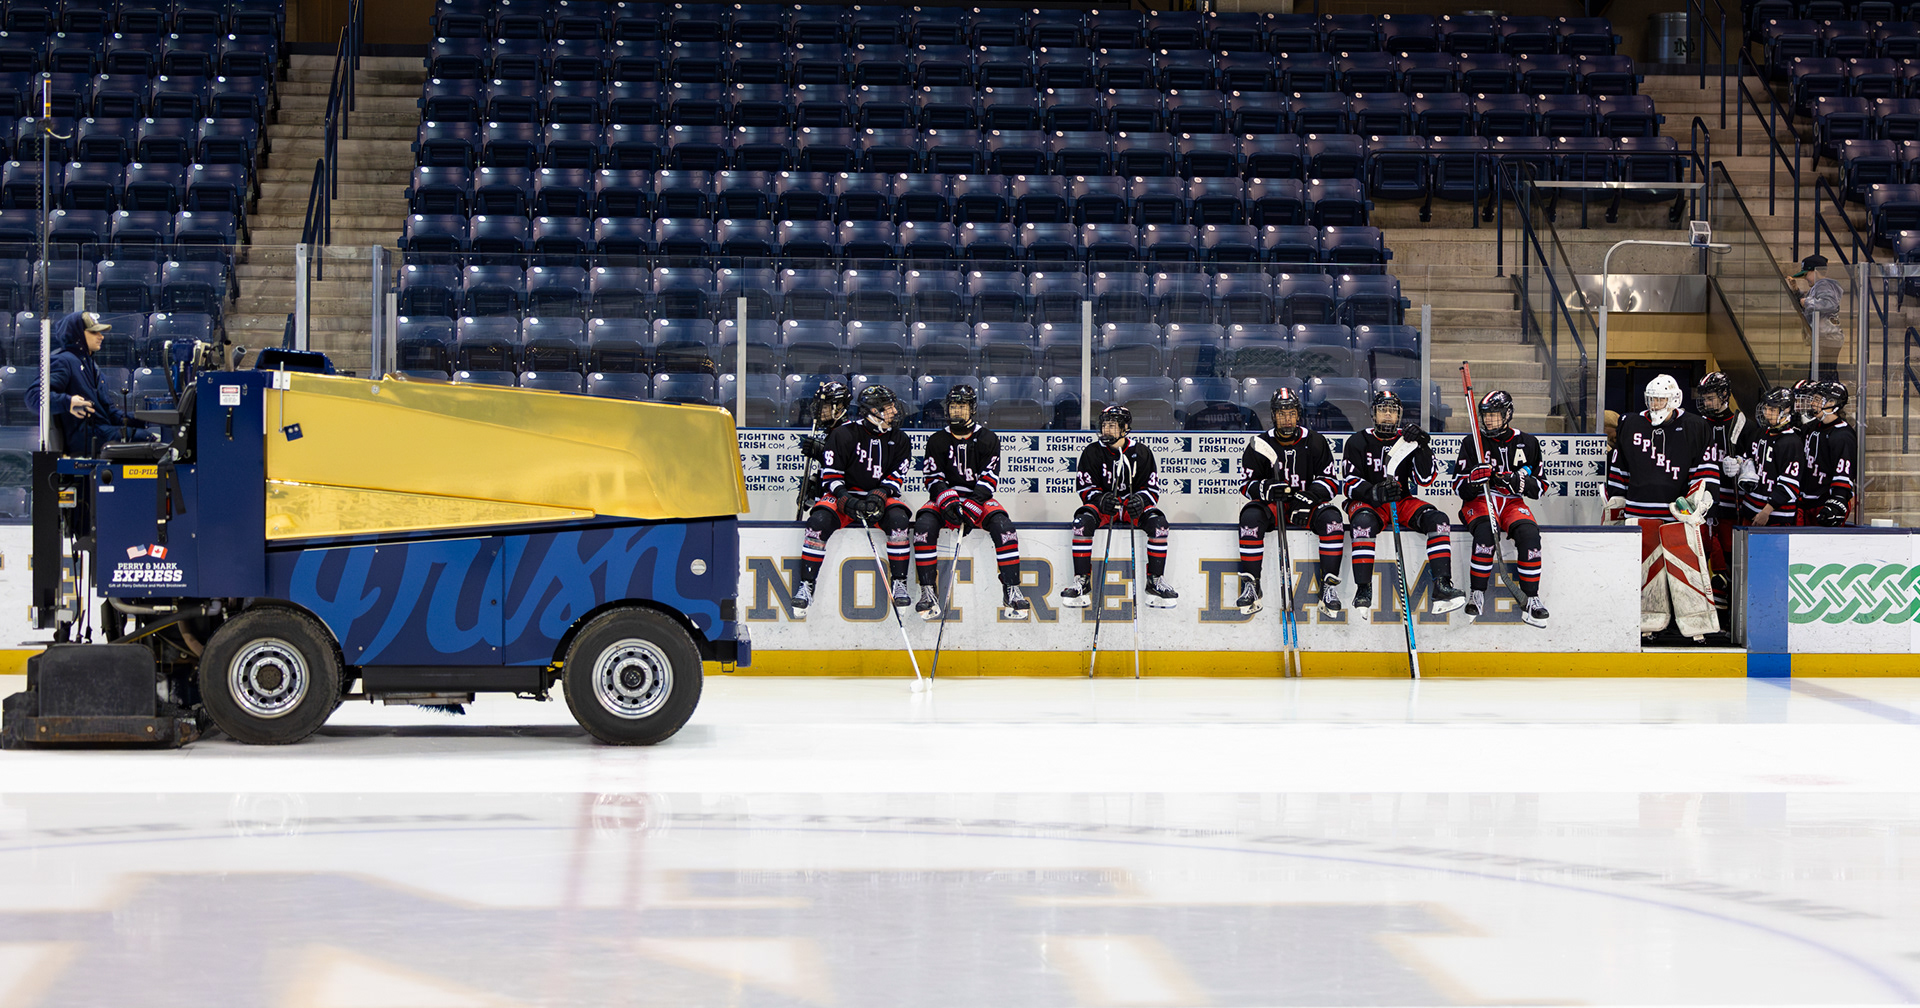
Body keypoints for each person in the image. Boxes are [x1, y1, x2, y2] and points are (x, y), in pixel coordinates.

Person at [1604, 374, 1721, 641]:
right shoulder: (1631, 423)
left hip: (1677, 515)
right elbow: (1620, 468)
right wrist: (1617, 501)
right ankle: (1648, 622)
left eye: (1661, 399)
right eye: (1652, 399)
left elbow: (1704, 471)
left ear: (1674, 399)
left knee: (1687, 572)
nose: (1655, 404)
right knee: (1646, 573)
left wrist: (1699, 501)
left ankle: (1696, 625)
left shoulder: (1695, 426)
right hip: (1639, 512)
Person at [911, 384, 1033, 621]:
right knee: (923, 526)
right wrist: (948, 503)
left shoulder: (988, 438)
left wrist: (972, 505)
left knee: (1004, 528)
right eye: (953, 406)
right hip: (945, 499)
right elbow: (933, 478)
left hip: (978, 498)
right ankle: (928, 590)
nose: (957, 411)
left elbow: (989, 477)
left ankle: (1011, 588)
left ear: (972, 409)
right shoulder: (937, 440)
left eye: (962, 406)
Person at [1341, 390, 1467, 618]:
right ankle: (1363, 588)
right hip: (1368, 503)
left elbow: (1426, 479)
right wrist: (1374, 492)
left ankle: (1442, 585)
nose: (1388, 415)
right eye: (1383, 410)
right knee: (1363, 523)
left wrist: (1423, 446)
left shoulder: (1407, 441)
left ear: (1399, 415)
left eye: (1393, 411)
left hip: (1401, 501)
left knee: (1438, 520)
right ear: (1373, 414)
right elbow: (1349, 484)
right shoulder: (1357, 441)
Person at [791, 385, 913, 618]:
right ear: (872, 411)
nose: (895, 412)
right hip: (845, 494)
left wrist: (880, 494)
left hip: (880, 495)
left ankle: (899, 582)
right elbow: (831, 476)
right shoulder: (843, 434)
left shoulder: (900, 439)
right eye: (888, 408)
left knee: (899, 521)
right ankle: (807, 584)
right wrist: (846, 499)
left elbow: (897, 476)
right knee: (817, 522)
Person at [1234, 387, 1345, 617]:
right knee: (1250, 516)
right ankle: (1252, 585)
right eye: (1282, 414)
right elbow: (1245, 484)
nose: (1287, 419)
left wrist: (1310, 496)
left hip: (1307, 505)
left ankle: (1328, 587)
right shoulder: (1260, 444)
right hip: (1275, 507)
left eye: (1292, 413)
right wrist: (1266, 488)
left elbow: (1332, 482)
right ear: (1273, 415)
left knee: (1333, 520)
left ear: (1298, 415)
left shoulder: (1315, 441)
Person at [1060, 405, 1178, 609]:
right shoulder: (1092, 451)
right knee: (1081, 523)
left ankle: (1155, 580)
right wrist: (1100, 500)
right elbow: (1084, 487)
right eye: (1104, 425)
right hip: (1106, 509)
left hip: (1132, 509)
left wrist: (1140, 500)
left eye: (1112, 426)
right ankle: (1082, 580)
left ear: (1125, 429)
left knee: (1159, 525)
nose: (1106, 430)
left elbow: (1152, 489)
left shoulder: (1141, 452)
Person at [1453, 389, 1549, 627]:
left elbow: (1541, 487)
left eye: (1495, 415)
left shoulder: (1528, 443)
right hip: (1480, 500)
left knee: (1530, 535)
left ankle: (1531, 598)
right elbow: (1458, 486)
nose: (1489, 420)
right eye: (1486, 415)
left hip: (1512, 502)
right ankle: (1477, 593)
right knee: (1486, 532)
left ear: (1507, 414)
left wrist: (1519, 482)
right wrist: (1474, 481)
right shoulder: (1472, 442)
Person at [27, 311, 147, 456]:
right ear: (77, 335)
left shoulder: (92, 366)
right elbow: (34, 396)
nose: (101, 337)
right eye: (94, 332)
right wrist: (68, 402)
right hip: (84, 437)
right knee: (146, 440)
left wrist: (144, 419)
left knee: (147, 435)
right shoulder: (63, 361)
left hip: (100, 432)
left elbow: (109, 412)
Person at [1695, 372, 1754, 613]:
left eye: (1710, 398)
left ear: (1724, 395)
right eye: (1704, 398)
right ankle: (1703, 604)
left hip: (1731, 505)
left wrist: (1742, 464)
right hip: (1702, 505)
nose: (1706, 403)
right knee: (1701, 553)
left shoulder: (1743, 424)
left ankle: (1731, 606)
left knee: (1732, 556)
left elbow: (1756, 460)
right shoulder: (1697, 424)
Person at [1734, 388, 1804, 527]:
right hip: (1750, 509)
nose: (1767, 414)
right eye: (1765, 409)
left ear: (1786, 410)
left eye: (1772, 410)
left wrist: (1766, 511)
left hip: (1776, 517)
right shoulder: (1758, 434)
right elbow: (1748, 460)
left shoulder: (1792, 442)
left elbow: (1790, 484)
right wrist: (1737, 463)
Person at [1801, 380, 1856, 526]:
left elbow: (1844, 472)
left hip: (1825, 502)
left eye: (1817, 399)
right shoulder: (1813, 427)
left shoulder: (1842, 435)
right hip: (1806, 501)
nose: (1812, 403)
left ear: (1832, 403)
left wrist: (1838, 498)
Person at [795, 380, 851, 516]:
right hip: (827, 498)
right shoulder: (828, 432)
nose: (819, 410)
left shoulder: (850, 433)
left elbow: (851, 469)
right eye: (818, 405)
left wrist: (822, 452)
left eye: (825, 406)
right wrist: (815, 482)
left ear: (840, 407)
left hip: (844, 501)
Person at [1790, 255, 1844, 382]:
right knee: (1821, 375)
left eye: (1806, 274)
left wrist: (1806, 302)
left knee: (1823, 377)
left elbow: (1829, 304)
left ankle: (1827, 394)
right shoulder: (1819, 286)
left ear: (1816, 271)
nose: (1805, 278)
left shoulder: (1824, 284)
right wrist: (1797, 292)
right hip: (1824, 339)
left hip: (1827, 339)